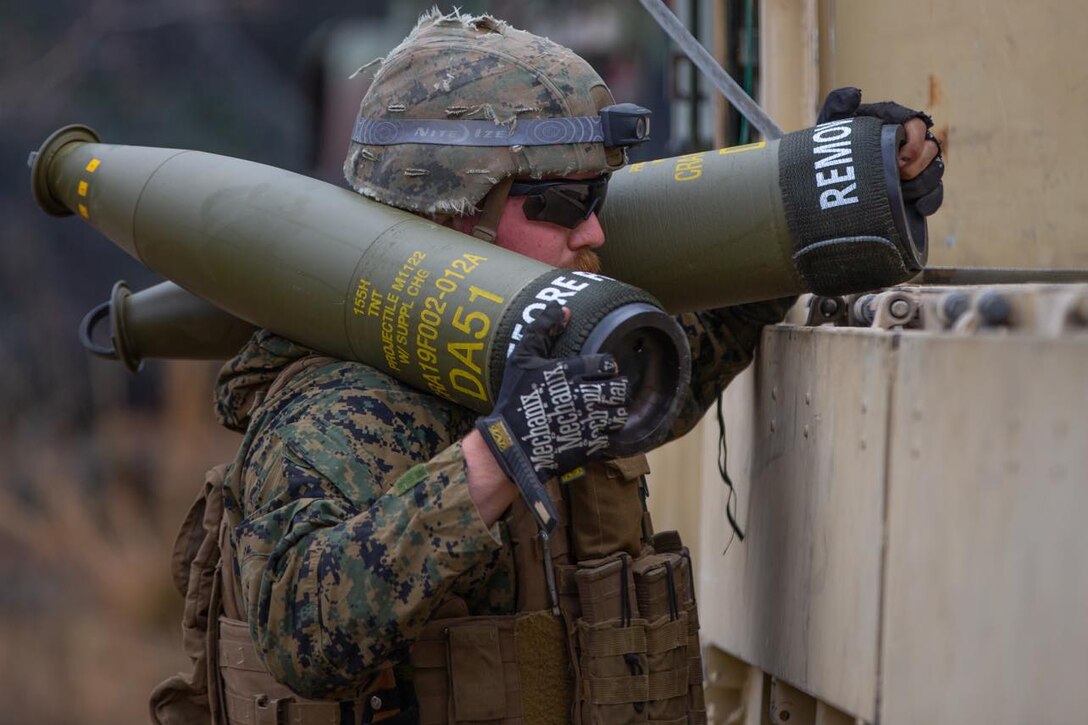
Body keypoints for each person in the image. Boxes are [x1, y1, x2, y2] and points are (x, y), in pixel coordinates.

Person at [151, 9, 942, 725]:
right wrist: (500, 457)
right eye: (560, 204)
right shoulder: (340, 404)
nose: (594, 228)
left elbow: (685, 358)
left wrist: (838, 200)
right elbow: (302, 629)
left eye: (598, 194)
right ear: (456, 208)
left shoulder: (540, 352)